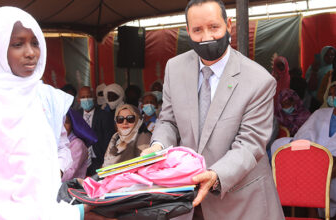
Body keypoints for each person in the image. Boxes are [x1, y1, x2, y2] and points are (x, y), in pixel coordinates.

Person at [141, 0, 284, 219]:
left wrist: (215, 175)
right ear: (188, 31)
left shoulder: (258, 80)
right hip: (185, 201)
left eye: (214, 27)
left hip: (239, 202)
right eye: (197, 30)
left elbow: (250, 144)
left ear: (228, 25)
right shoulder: (174, 68)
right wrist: (157, 146)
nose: (206, 36)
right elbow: (168, 120)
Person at [0, 7, 84, 219]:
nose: (30, 52)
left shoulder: (43, 97)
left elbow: (58, 147)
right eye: (18, 44)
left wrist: (52, 174)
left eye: (35, 42)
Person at [293, 81, 336, 218]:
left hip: (331, 173)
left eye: (335, 93)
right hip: (311, 162)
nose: (333, 96)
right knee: (281, 146)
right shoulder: (320, 114)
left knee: (328, 167)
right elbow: (300, 140)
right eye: (331, 93)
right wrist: (314, 156)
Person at [77, 86, 115, 176]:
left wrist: (106, 162)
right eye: (83, 97)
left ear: (94, 98)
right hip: (80, 161)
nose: (86, 99)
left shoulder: (105, 116)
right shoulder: (76, 116)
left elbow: (109, 141)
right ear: (78, 100)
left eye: (89, 96)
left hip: (98, 160)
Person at [62, 111, 89, 181]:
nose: (63, 126)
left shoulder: (78, 144)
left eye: (66, 122)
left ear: (72, 124)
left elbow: (71, 172)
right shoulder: (57, 142)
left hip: (71, 188)